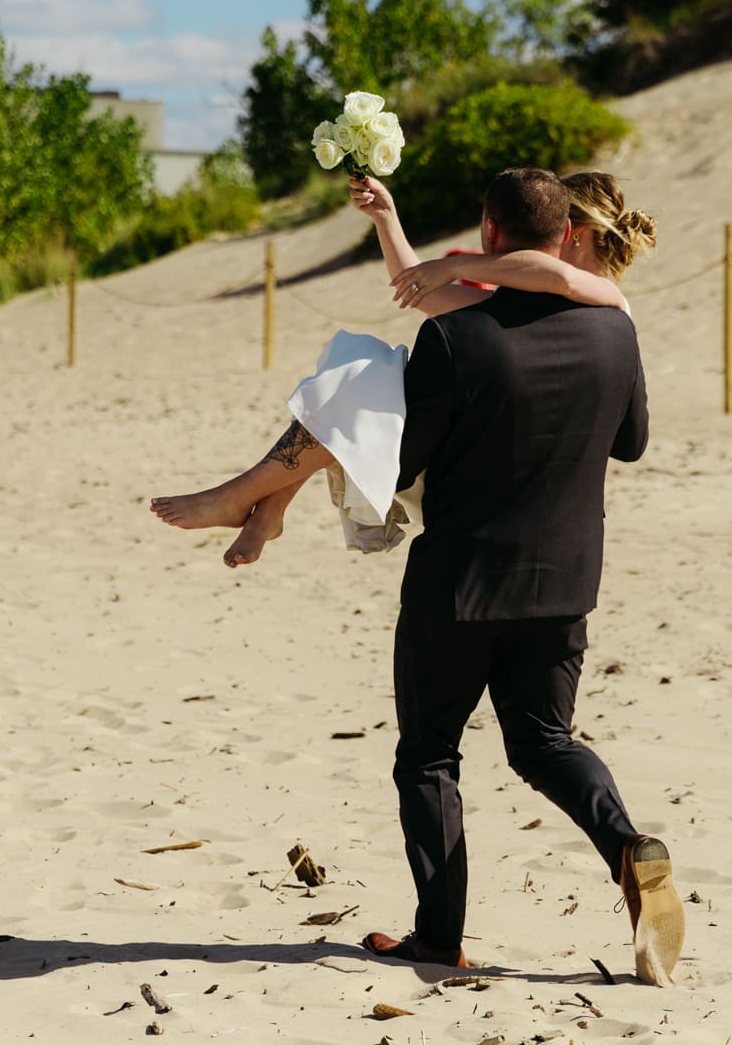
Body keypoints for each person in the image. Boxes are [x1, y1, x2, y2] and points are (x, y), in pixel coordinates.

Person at [357, 167, 682, 986]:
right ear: (565, 235)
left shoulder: (458, 336)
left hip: (458, 586)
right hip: (564, 580)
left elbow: (401, 463)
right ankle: (628, 846)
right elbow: (634, 441)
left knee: (429, 754)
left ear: (489, 234)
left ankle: (440, 936)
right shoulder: (615, 330)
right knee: (543, 741)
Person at [149, 170, 656, 567]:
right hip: (479, 462)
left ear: (574, 235)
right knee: (357, 372)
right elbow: (422, 292)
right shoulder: (530, 299)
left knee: (365, 375)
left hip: (488, 471)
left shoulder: (604, 301)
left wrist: (459, 264)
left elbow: (553, 276)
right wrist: (387, 219)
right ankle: (268, 506)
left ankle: (247, 496)